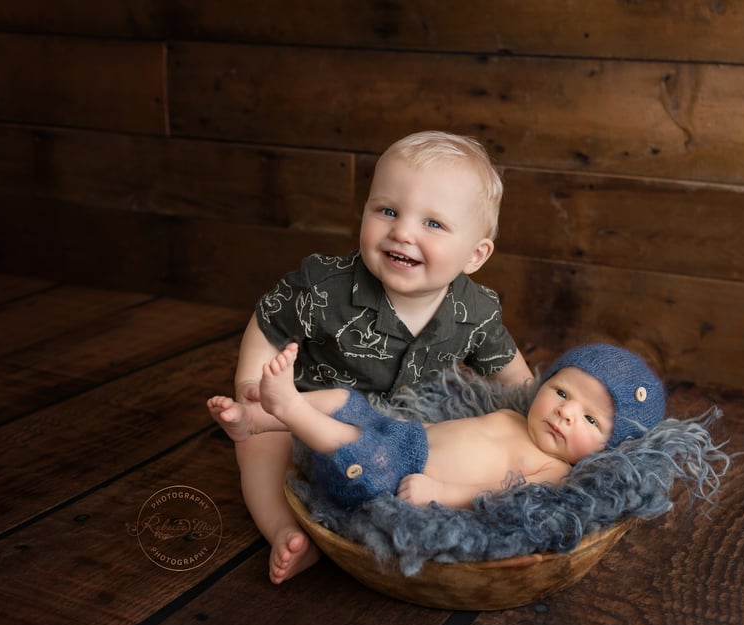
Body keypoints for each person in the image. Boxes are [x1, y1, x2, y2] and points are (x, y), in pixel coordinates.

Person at [227, 131, 533, 583]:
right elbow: (269, 320)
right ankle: (284, 530)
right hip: (305, 407)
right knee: (258, 444)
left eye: (433, 224)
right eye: (387, 211)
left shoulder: (476, 313)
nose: (402, 231)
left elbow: (512, 373)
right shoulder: (324, 289)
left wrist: (536, 405)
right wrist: (250, 383)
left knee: (462, 451)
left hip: (399, 428)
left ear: (475, 254)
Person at [209, 342, 666, 511]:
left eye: (590, 418)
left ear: (612, 446)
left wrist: (442, 495)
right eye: (563, 393)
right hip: (405, 437)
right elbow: (454, 428)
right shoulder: (511, 416)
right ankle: (256, 419)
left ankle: (288, 408)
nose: (566, 412)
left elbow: (502, 500)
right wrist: (416, 423)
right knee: (347, 401)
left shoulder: (554, 470)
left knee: (359, 449)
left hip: (400, 473)